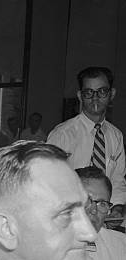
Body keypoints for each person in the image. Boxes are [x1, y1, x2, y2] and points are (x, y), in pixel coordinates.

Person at [48, 66, 126, 218]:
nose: (95, 98)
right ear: (80, 96)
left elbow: (117, 179)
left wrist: (116, 207)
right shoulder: (63, 134)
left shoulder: (116, 136)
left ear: (112, 94)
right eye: (88, 92)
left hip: (104, 214)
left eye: (102, 91)